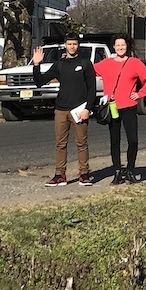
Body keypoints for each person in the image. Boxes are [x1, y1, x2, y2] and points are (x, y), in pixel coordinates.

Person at [32, 32, 98, 186]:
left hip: (79, 110)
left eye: (74, 44)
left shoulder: (86, 63)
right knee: (60, 144)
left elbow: (92, 89)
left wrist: (87, 108)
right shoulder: (59, 64)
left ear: (78, 46)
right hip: (61, 110)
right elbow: (39, 82)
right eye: (69, 44)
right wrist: (37, 65)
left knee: (81, 143)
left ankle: (84, 174)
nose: (72, 46)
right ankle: (60, 175)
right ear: (65, 45)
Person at [94, 34, 146, 185]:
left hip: (129, 107)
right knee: (115, 140)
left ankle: (130, 170)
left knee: (133, 140)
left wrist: (140, 94)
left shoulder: (134, 63)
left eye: (123, 45)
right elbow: (88, 70)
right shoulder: (106, 63)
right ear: (113, 47)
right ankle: (117, 172)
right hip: (113, 107)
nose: (120, 48)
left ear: (127, 46)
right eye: (117, 45)